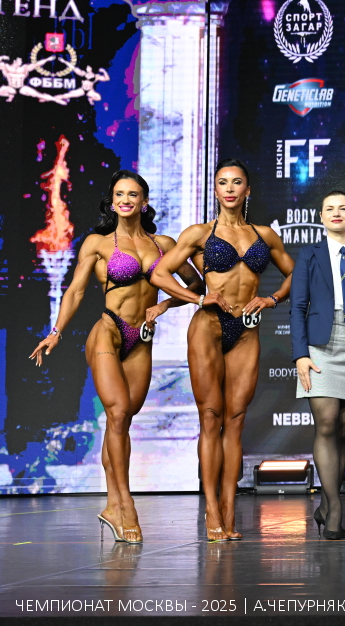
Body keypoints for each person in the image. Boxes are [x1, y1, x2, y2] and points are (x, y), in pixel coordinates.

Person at [30, 171, 202, 543]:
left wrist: (165, 306)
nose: (125, 200)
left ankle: (111, 506)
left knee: (120, 423)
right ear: (111, 201)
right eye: (119, 194)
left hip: (141, 340)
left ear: (144, 201)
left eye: (132, 194)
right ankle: (126, 505)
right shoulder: (98, 243)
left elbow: (195, 284)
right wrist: (56, 331)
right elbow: (76, 291)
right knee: (119, 413)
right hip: (108, 331)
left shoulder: (163, 244)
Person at [152, 159, 294, 541]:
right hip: (209, 328)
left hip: (246, 331)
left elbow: (295, 274)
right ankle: (211, 511)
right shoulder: (199, 233)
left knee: (236, 421)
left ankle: (229, 512)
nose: (229, 189)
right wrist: (198, 298)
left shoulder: (265, 235)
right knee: (211, 417)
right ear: (215, 190)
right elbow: (160, 273)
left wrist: (271, 299)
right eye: (222, 183)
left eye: (237, 182)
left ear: (248, 190)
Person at [291, 191, 345, 540]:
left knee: (343, 430)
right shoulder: (309, 254)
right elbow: (298, 306)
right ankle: (336, 508)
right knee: (327, 423)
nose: (336, 213)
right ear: (321, 216)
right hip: (321, 345)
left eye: (343, 208)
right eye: (329, 208)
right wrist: (300, 354)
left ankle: (325, 507)